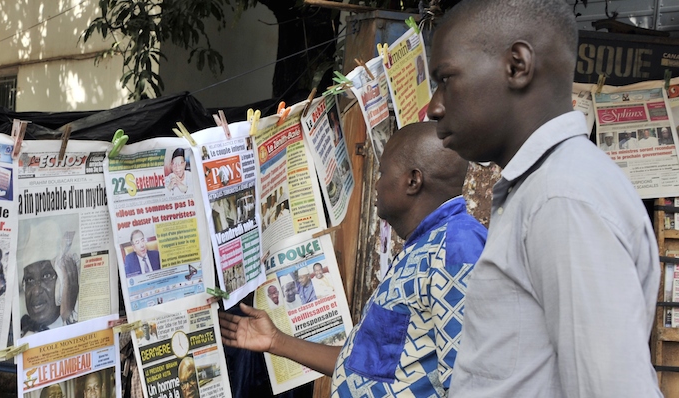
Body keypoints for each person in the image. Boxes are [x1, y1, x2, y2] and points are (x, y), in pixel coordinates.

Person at [426, 0, 661, 396]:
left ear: (517, 66)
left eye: (446, 78)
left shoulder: (562, 197)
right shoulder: (544, 188)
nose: (434, 107)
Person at [220, 122, 486, 397]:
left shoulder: (457, 248)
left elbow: (472, 383)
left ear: (413, 180)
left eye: (383, 172)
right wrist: (275, 340)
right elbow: (362, 367)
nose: (377, 183)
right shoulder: (424, 246)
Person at [20, 255, 79, 336]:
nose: (36, 291)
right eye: (30, 280)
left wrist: (68, 316)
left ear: (63, 282)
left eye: (46, 276)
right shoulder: (22, 330)